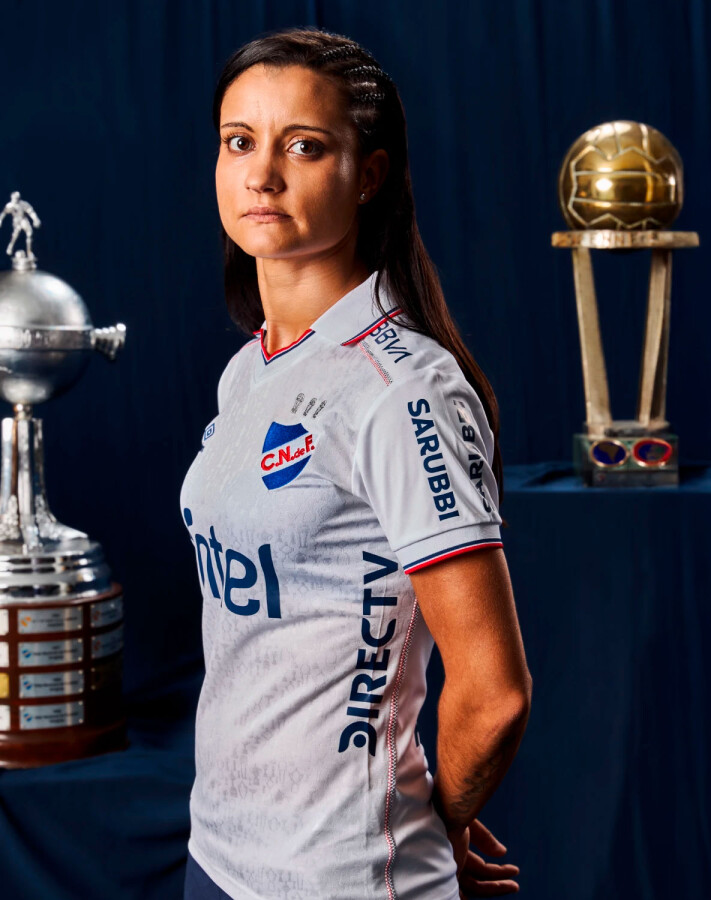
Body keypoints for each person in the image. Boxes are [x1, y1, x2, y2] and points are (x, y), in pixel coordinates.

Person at [179, 27, 532, 900]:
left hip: (341, 875)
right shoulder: (250, 369)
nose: (263, 175)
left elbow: (493, 693)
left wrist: (437, 820)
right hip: (219, 857)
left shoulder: (402, 390)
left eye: (304, 146)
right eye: (239, 142)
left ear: (368, 174)